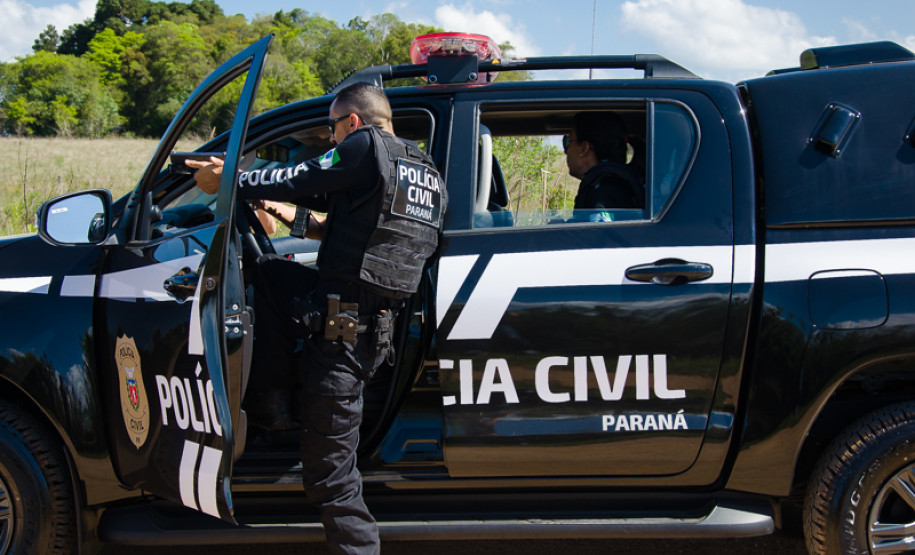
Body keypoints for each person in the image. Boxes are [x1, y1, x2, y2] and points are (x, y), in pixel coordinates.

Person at [187, 82, 446, 554]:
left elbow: (301, 174)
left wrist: (230, 181)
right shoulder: (420, 170)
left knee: (329, 475)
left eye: (332, 128)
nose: (330, 139)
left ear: (354, 122)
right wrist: (281, 212)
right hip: (371, 325)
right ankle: (272, 409)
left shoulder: (364, 146)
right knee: (269, 277)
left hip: (346, 332)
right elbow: (347, 227)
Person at [563, 111, 645, 210]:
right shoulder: (619, 186)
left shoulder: (601, 195)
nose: (565, 151)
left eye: (568, 141)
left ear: (584, 148)